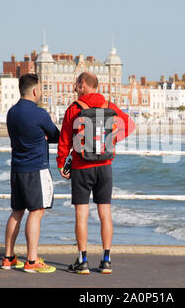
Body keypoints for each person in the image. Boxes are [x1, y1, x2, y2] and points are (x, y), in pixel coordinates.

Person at [57, 72, 135, 274]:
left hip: (81, 167)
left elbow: (64, 140)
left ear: (83, 84)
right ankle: (106, 259)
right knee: (105, 213)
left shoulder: (74, 109)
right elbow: (130, 125)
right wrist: (112, 140)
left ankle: (82, 261)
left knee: (81, 214)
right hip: (105, 165)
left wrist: (61, 164)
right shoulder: (109, 106)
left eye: (76, 83)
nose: (74, 87)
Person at [2, 73, 60, 273]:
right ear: (35, 91)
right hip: (36, 169)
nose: (41, 93)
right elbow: (56, 136)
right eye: (41, 89)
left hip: (17, 168)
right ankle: (32, 260)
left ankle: (8, 257)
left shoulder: (11, 112)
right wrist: (45, 133)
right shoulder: (39, 114)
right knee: (36, 212)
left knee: (17, 211)